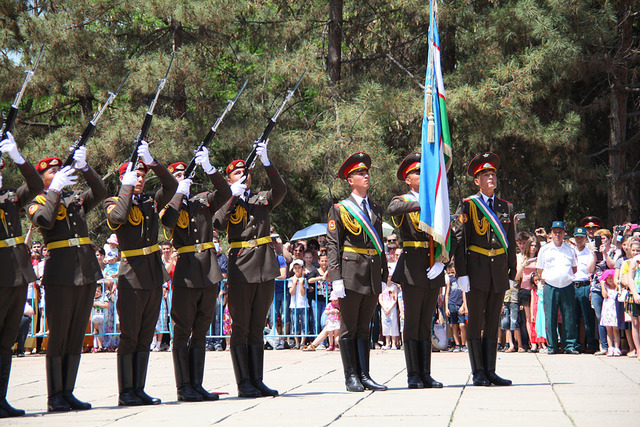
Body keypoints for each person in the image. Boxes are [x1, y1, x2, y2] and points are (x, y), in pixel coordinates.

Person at [28, 146, 107, 412]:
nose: (59, 173)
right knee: (59, 335)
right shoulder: (37, 202)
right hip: (61, 273)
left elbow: (101, 193)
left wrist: (86, 168)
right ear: (43, 179)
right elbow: (46, 222)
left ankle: (68, 392)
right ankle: (54, 396)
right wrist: (53, 191)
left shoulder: (74, 199)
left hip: (85, 271)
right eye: (52, 172)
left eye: (59, 170)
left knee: (75, 335)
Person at [104, 141, 177, 406]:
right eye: (136, 176)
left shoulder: (150, 201)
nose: (140, 181)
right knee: (130, 335)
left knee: (146, 334)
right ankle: (126, 391)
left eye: (143, 177)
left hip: (153, 273)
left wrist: (153, 162)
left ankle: (139, 388)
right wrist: (126, 187)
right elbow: (118, 218)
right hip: (131, 274)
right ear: (124, 178)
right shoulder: (114, 202)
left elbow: (171, 187)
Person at [213, 141, 286, 398]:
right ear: (229, 179)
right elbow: (219, 223)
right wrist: (232, 194)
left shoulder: (261, 198)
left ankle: (257, 380)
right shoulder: (227, 200)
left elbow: (281, 189)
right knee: (241, 327)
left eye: (245, 172)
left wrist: (267, 162)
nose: (243, 176)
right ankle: (243, 382)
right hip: (241, 267)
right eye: (236, 173)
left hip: (264, 266)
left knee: (257, 326)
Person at [161, 152, 231, 402]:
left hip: (208, 271)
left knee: (201, 330)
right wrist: (178, 191)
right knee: (182, 331)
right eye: (177, 175)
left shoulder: (203, 200)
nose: (183, 178)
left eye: (185, 174)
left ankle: (197, 384)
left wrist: (210, 168)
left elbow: (225, 194)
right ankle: (183, 387)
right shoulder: (169, 202)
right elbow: (169, 221)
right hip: (186, 273)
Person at [452, 152, 515, 386]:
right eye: (486, 175)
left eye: (493, 175)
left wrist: (511, 271)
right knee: (476, 322)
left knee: (492, 323)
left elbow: (510, 239)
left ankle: (491, 370)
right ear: (476, 181)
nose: (491, 178)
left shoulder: (505, 207)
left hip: (498, 270)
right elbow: (460, 240)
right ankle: (478, 371)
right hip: (476, 270)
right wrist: (462, 273)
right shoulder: (468, 205)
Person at [327, 152, 388, 392]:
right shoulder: (340, 209)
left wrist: (383, 276)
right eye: (360, 173)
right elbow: (333, 245)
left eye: (367, 173)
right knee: (348, 328)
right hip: (351, 274)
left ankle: (365, 374)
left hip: (372, 273)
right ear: (350, 180)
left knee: (365, 327)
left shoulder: (375, 207)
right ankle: (351, 376)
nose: (366, 176)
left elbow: (379, 243)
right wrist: (336, 278)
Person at [0, 132, 43, 418]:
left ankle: (1, 400)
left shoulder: (10, 198)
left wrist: (17, 158)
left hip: (16, 277)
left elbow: (37, 184)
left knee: (6, 341)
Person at [536, 221, 579, 355]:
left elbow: (574, 268)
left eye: (560, 231)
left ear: (564, 233)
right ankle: (552, 346)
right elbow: (539, 269)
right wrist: (548, 278)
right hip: (550, 285)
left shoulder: (570, 249)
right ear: (551, 233)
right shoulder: (545, 249)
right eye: (555, 232)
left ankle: (569, 345)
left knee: (569, 316)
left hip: (567, 286)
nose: (557, 234)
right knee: (550, 316)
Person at [572, 227, 598, 353]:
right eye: (577, 237)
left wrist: (593, 253)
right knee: (574, 318)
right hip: (572, 285)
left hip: (584, 285)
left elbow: (591, 270)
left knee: (588, 318)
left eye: (581, 237)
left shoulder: (588, 252)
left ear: (585, 238)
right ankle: (576, 344)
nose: (579, 239)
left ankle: (591, 344)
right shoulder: (571, 251)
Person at [515, 237, 541, 351]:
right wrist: (523, 265)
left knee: (538, 316)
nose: (533, 248)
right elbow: (516, 277)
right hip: (525, 289)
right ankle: (533, 343)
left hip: (537, 290)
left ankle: (540, 342)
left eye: (535, 246)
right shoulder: (521, 258)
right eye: (531, 245)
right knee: (528, 318)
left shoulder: (539, 258)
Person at [445, 264, 467, 353]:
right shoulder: (450, 280)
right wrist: (446, 307)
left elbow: (464, 293)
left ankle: (464, 344)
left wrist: (464, 305)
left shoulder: (462, 280)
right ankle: (457, 344)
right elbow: (447, 293)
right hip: (451, 303)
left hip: (460, 304)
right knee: (454, 325)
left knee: (462, 325)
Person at [599, 269, 620, 356]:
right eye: (608, 278)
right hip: (608, 310)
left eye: (612, 277)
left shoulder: (617, 288)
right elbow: (604, 295)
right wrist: (603, 285)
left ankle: (617, 348)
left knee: (616, 330)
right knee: (609, 330)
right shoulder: (606, 288)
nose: (610, 279)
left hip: (615, 310)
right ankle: (610, 347)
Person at [288, 259, 308, 349]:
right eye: (295, 268)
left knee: (304, 324)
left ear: (302, 268)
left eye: (299, 268)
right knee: (295, 324)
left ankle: (303, 342)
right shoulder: (291, 279)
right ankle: (297, 342)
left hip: (303, 304)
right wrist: (294, 283)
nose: (297, 270)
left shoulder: (304, 279)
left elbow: (303, 293)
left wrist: (300, 283)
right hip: (294, 305)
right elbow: (291, 292)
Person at [379, 281, 399, 350]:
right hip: (384, 308)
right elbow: (380, 299)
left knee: (393, 324)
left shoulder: (394, 287)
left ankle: (393, 343)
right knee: (385, 325)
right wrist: (385, 308)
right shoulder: (382, 286)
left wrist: (390, 308)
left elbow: (395, 299)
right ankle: (387, 343)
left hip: (392, 307)